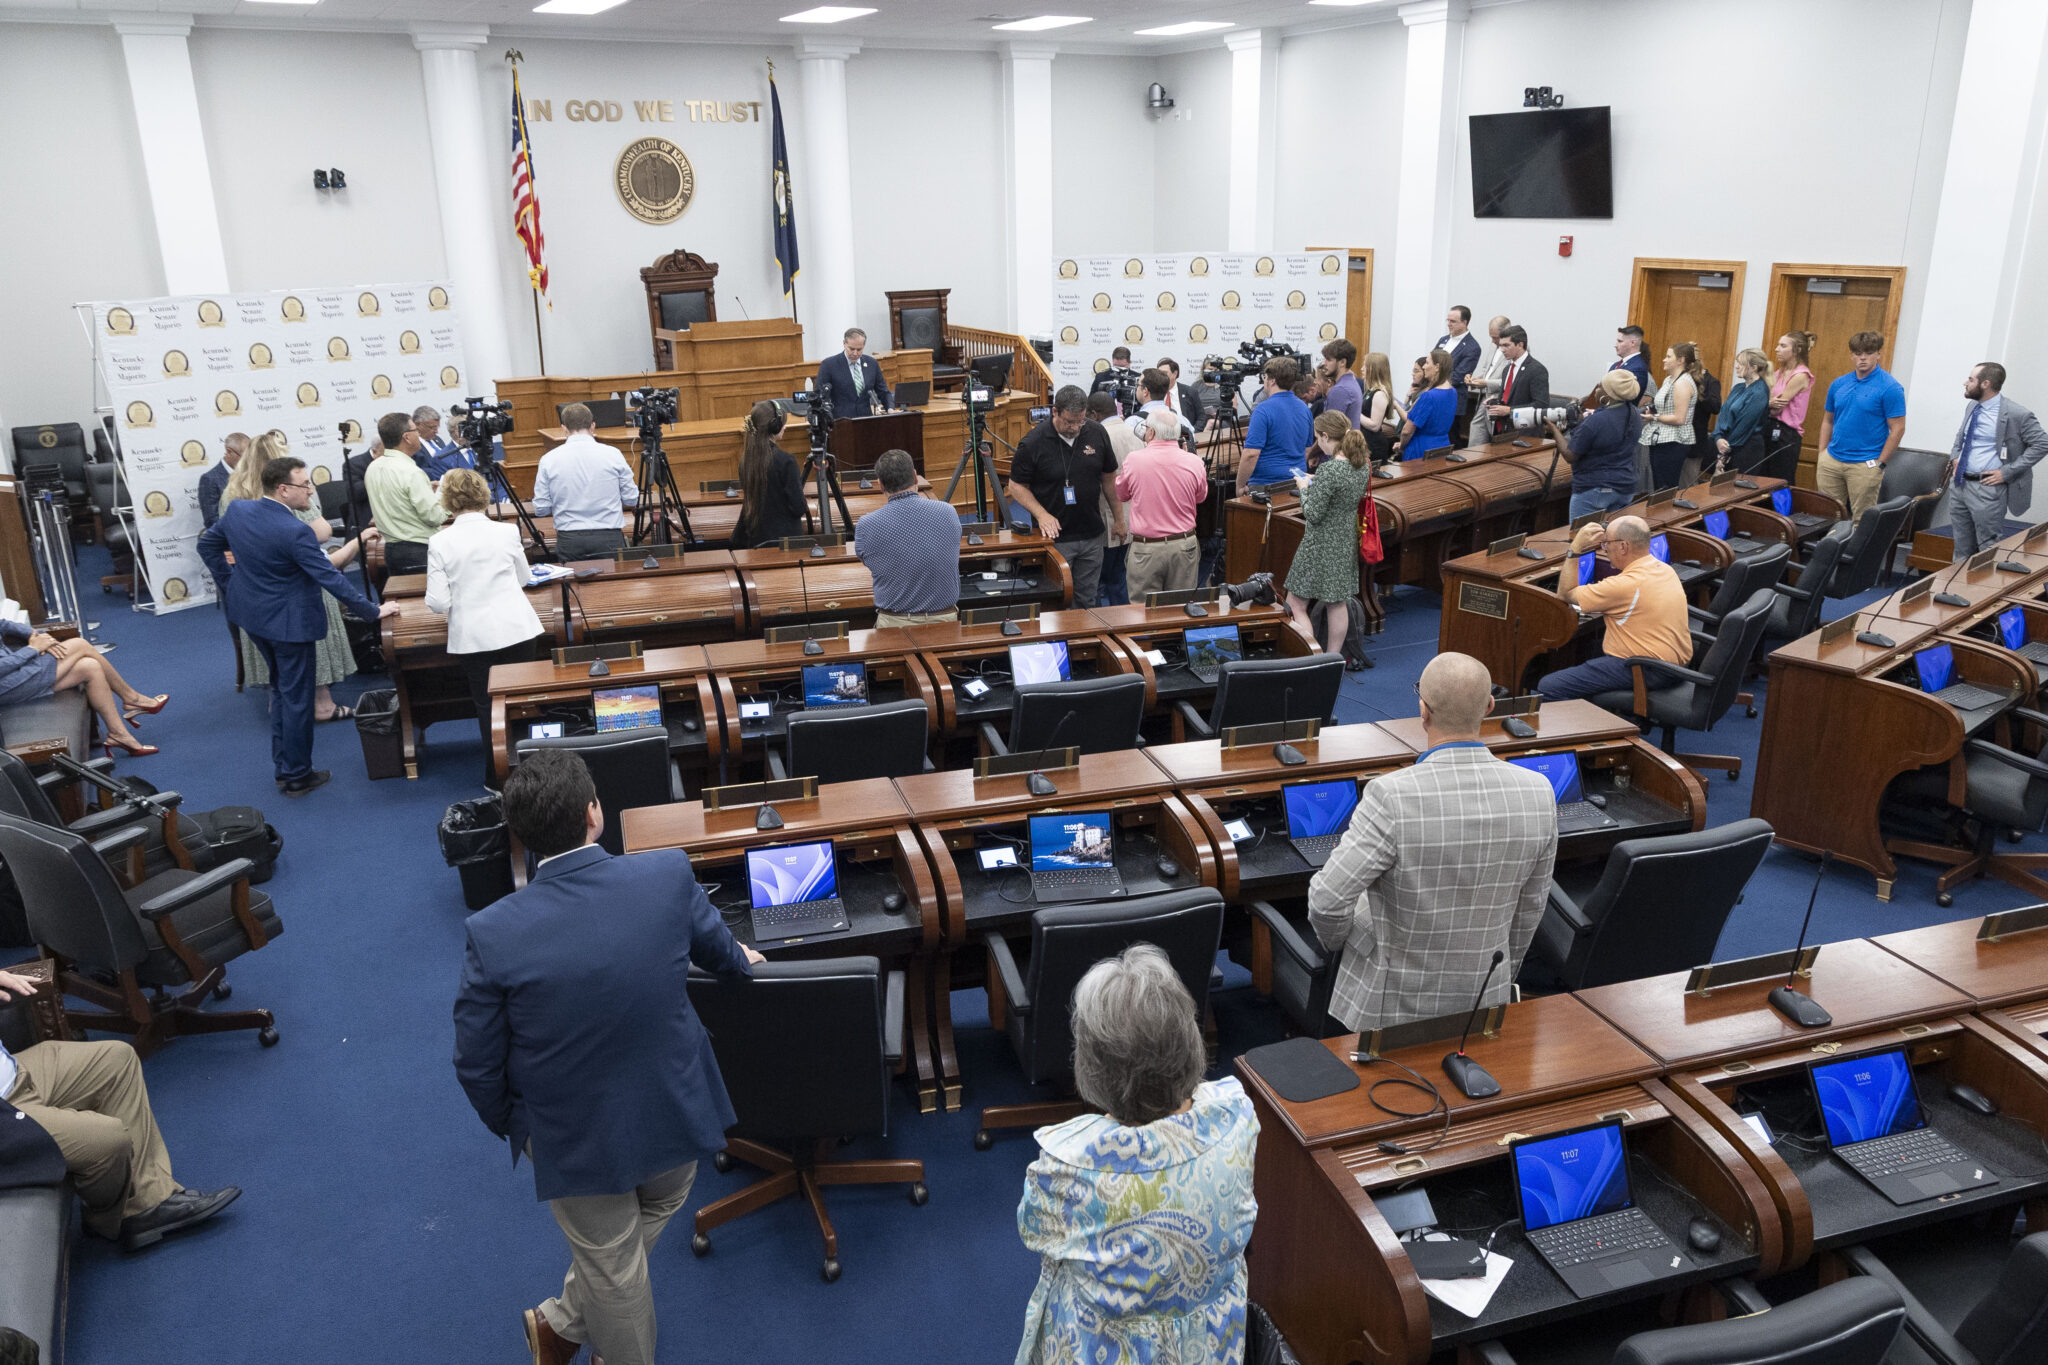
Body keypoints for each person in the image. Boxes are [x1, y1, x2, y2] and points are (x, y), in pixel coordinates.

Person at [454, 749, 763, 1365]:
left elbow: (477, 1065)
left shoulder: (492, 932)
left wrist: (521, 1126)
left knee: (613, 1262)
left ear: (523, 836)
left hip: (570, 1130)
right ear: (595, 814)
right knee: (652, 1215)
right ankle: (572, 1327)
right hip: (670, 1101)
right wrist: (742, 960)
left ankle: (564, 1324)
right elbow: (726, 958)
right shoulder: (667, 875)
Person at [1013, 944, 1258, 1365]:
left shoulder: (1066, 1163)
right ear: (1189, 1037)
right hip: (1211, 1341)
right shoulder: (1237, 1117)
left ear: (1090, 1064)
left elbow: (1034, 1233)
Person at [1306, 652, 1556, 1033]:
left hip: (1391, 1011)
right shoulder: (1538, 792)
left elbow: (1326, 902)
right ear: (1489, 707)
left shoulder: (1391, 795)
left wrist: (1346, 946)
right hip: (1484, 1001)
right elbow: (1530, 908)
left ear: (1422, 711)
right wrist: (1500, 973)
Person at [0, 968, 241, 1252]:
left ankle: (147, 1205)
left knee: (117, 1060)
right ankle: (107, 1218)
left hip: (13, 1072)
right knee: (109, 1140)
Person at [199, 456, 397, 795]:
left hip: (253, 617)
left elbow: (206, 544)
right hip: (290, 627)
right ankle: (296, 776)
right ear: (283, 489)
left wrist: (230, 584)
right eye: (305, 485)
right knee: (296, 699)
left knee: (281, 692)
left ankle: (284, 769)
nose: (311, 490)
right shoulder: (294, 531)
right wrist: (372, 611)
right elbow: (329, 578)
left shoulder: (239, 512)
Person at [219, 430, 375, 724]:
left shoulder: (232, 494)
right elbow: (321, 533)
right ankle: (322, 705)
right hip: (297, 584)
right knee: (309, 640)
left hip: (254, 590)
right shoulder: (287, 497)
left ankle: (278, 700)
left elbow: (218, 540)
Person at [426, 468, 549, 789]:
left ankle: (496, 777)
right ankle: (532, 771)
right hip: (518, 629)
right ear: (483, 495)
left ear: (448, 501)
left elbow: (438, 602)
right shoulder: (507, 532)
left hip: (474, 636)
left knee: (486, 706)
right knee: (523, 700)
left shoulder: (439, 541)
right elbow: (523, 579)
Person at [1535, 516, 1691, 702]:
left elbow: (1565, 593)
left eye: (1606, 543)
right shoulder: (1664, 569)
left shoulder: (1623, 585)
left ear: (1623, 546)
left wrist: (1574, 549)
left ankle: (1587, 728)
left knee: (1549, 686)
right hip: (1674, 665)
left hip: (1646, 669)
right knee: (1588, 648)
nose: (1605, 548)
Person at [1007, 386, 1124, 608]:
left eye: (1080, 421)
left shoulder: (1097, 432)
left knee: (1087, 600)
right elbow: (1016, 485)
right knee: (1058, 601)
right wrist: (1042, 515)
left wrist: (1119, 519)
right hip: (1055, 538)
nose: (1075, 428)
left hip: (1091, 534)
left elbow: (1109, 477)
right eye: (1069, 422)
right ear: (1055, 412)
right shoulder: (1033, 442)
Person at [0, 619, 164, 759]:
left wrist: (36, 636)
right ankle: (132, 698)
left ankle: (119, 734)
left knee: (90, 667)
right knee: (80, 645)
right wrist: (33, 649)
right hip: (7, 683)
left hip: (14, 672)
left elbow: (4, 624)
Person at [1285, 411, 1374, 667]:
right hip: (1344, 541)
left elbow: (1312, 514)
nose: (1318, 443)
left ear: (1325, 436)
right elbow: (1340, 492)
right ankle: (1333, 659)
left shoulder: (1330, 468)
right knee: (1337, 602)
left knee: (1296, 603)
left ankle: (1311, 660)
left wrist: (1304, 489)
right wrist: (1317, 481)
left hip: (1320, 544)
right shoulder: (1361, 464)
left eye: (1317, 438)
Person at [1948, 362, 2048, 559]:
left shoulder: (2017, 413)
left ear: (1985, 383)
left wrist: (2007, 471)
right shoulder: (1972, 406)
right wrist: (1954, 458)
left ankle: (1980, 590)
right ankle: (1955, 589)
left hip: (1987, 489)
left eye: (1970, 379)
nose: (1965, 383)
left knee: (1987, 549)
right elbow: (1961, 437)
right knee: (1960, 547)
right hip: (1960, 485)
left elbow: (2042, 444)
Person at [854, 449, 962, 627]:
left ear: (880, 484)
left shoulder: (867, 524)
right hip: (946, 623)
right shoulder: (948, 512)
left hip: (893, 626)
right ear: (915, 476)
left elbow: (869, 560)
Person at [1115, 409, 1209, 600]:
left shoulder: (1134, 460)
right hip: (1184, 546)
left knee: (1143, 612)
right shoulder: (1194, 462)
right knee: (1181, 609)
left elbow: (1122, 494)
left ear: (1150, 433)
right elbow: (1200, 498)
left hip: (1147, 549)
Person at [1816, 331, 1908, 524]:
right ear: (1851, 355)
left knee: (1862, 520)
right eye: (1858, 353)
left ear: (1878, 354)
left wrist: (1879, 464)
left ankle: (1856, 555)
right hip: (1832, 460)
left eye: (1868, 352)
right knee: (1828, 517)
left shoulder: (1890, 387)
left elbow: (1898, 429)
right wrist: (1822, 454)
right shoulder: (1839, 384)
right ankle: (1831, 553)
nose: (1863, 357)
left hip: (1865, 463)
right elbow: (1828, 421)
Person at [532, 402, 638, 560]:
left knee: (573, 585)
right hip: (608, 537)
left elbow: (541, 509)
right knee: (610, 584)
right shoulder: (613, 454)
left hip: (569, 539)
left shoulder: (548, 460)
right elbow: (631, 498)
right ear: (593, 426)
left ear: (564, 429)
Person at [363, 411, 446, 574]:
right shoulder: (411, 472)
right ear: (407, 437)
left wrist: (425, 488)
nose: (419, 434)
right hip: (419, 553)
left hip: (391, 551)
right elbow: (434, 518)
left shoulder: (373, 467)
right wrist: (444, 493)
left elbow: (394, 494)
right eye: (416, 430)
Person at [1554, 370, 1642, 521]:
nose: (1597, 390)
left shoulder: (1595, 421)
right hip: (1625, 486)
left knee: (1582, 538)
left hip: (1594, 489)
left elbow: (1570, 455)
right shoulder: (1634, 413)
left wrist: (1554, 429)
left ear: (1608, 395)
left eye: (1600, 387)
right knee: (1611, 537)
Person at [1091, 390, 1142, 605]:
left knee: (1099, 582)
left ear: (1093, 414)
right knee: (1121, 580)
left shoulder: (1097, 436)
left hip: (1108, 518)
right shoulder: (1136, 433)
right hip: (1136, 518)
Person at [1235, 357, 1314, 494]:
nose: (1263, 380)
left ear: (1272, 381)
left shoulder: (1262, 410)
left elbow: (1251, 454)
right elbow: (1307, 450)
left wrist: (1240, 486)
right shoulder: (1305, 408)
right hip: (1297, 484)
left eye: (1265, 377)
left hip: (1266, 486)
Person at [733, 400, 805, 549]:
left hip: (756, 541)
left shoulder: (745, 461)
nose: (785, 427)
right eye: (783, 423)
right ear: (775, 426)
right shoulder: (786, 461)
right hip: (786, 544)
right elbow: (798, 508)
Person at [1638, 343, 1701, 492]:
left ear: (1681, 360)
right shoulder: (1669, 380)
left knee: (1666, 486)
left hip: (1674, 441)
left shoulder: (1682, 383)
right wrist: (1652, 412)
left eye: (1668, 356)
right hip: (1662, 438)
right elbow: (1663, 406)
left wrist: (1654, 417)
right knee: (1659, 484)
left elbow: (1680, 418)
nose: (1664, 360)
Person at [1764, 330, 1816, 485]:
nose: (1776, 349)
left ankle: (1782, 510)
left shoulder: (1800, 375)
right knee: (1763, 479)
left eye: (1783, 346)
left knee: (1781, 481)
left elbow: (1776, 408)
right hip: (1769, 428)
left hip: (1786, 434)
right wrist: (1768, 403)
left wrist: (1767, 403)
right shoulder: (1779, 372)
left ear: (1797, 350)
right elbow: (1767, 401)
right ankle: (1763, 510)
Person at [1714, 349, 1773, 476]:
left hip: (1747, 449)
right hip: (1728, 445)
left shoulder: (1760, 391)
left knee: (1738, 490)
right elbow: (1723, 415)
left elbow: (1745, 425)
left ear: (1754, 368)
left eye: (1740, 363)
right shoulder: (1738, 388)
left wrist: (1725, 449)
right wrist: (1718, 437)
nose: (1736, 366)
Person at [1483, 325, 1548, 440]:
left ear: (1520, 345)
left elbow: (1541, 405)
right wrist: (1495, 402)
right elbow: (1508, 398)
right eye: (1501, 346)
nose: (1502, 350)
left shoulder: (1537, 370)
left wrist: (1509, 410)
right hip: (1504, 432)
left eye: (1506, 345)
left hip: (1526, 435)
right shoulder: (1507, 369)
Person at [814, 326, 891, 418]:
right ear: (844, 343)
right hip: (840, 421)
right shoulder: (829, 365)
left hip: (866, 420)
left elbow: (883, 391)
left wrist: (890, 408)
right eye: (851, 349)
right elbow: (819, 395)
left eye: (859, 350)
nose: (855, 353)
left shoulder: (872, 364)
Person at [1396, 350, 1458, 460]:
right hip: (1442, 447)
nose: (1424, 367)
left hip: (1420, 450)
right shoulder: (1453, 392)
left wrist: (1401, 446)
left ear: (1437, 367)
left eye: (1427, 363)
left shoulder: (1428, 396)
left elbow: (1407, 431)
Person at [1587, 325, 1653, 408]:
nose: (1615, 345)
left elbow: (1627, 400)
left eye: (1620, 341)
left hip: (1619, 417)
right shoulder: (1615, 365)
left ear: (1633, 343)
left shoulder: (1638, 368)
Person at [1357, 352, 1403, 468]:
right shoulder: (1370, 390)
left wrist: (1355, 413)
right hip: (1365, 441)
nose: (1362, 369)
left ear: (1374, 369)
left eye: (1365, 366)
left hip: (1373, 445)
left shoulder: (1380, 394)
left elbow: (1374, 425)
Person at [197, 431, 246, 531]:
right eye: (244, 456)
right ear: (229, 452)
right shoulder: (209, 479)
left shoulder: (251, 475)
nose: (248, 461)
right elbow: (211, 520)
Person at [415, 405, 472, 479]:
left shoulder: (438, 440)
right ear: (418, 424)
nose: (436, 431)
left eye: (437, 427)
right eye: (432, 427)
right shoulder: (413, 445)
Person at [1320, 339, 1363, 429]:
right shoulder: (1352, 381)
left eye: (1328, 359)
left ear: (1342, 362)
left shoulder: (1340, 389)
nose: (1324, 363)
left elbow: (1330, 429)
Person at [1157, 356, 1206, 436]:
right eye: (1159, 374)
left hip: (1185, 435)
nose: (1161, 377)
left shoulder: (1190, 392)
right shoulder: (1155, 392)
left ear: (1175, 374)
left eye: (1165, 373)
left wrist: (1192, 434)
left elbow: (1201, 417)